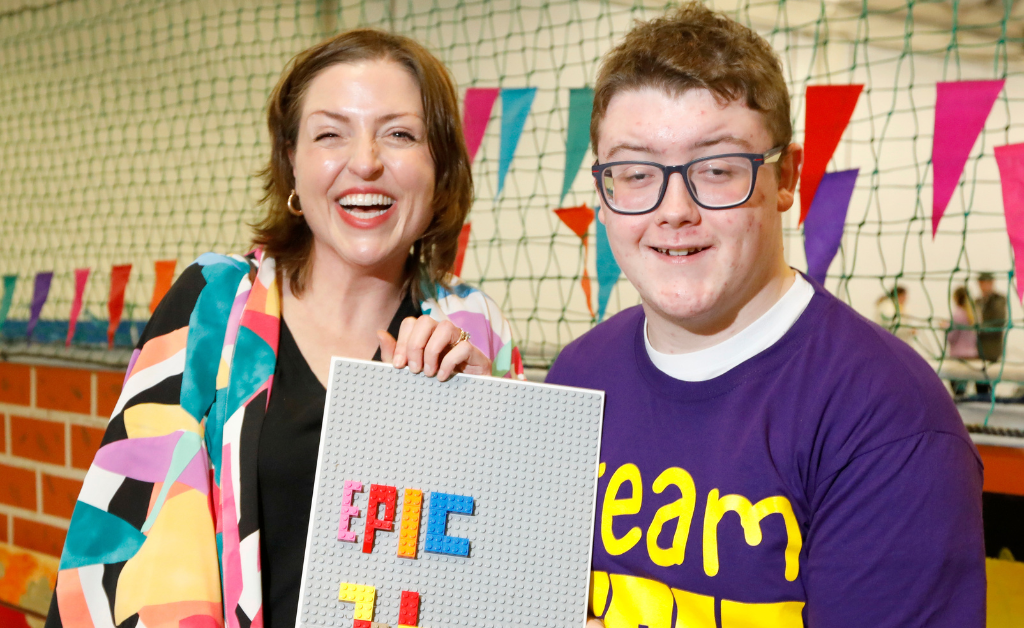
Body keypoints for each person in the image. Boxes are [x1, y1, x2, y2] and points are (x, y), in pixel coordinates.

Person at [45, 29, 516, 628]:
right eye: (330, 133)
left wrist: (487, 418)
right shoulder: (211, 308)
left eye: (400, 134)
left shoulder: (478, 332)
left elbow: (506, 575)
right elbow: (117, 540)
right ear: (291, 162)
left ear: (439, 166)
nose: (366, 160)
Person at [545, 4, 985, 627]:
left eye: (717, 169)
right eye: (636, 172)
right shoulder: (578, 375)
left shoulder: (889, 422)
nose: (674, 210)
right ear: (603, 189)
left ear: (788, 179)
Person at [975, 271, 1007, 398]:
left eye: (986, 283)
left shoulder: (999, 300)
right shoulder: (977, 301)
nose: (983, 286)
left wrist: (977, 328)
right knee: (979, 383)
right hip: (977, 349)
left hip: (991, 349)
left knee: (988, 381)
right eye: (981, 283)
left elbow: (998, 322)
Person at [947, 285, 979, 397]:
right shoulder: (974, 314)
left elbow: (951, 336)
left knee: (958, 391)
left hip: (959, 356)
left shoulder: (958, 314)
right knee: (964, 388)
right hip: (973, 355)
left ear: (956, 298)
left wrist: (945, 328)